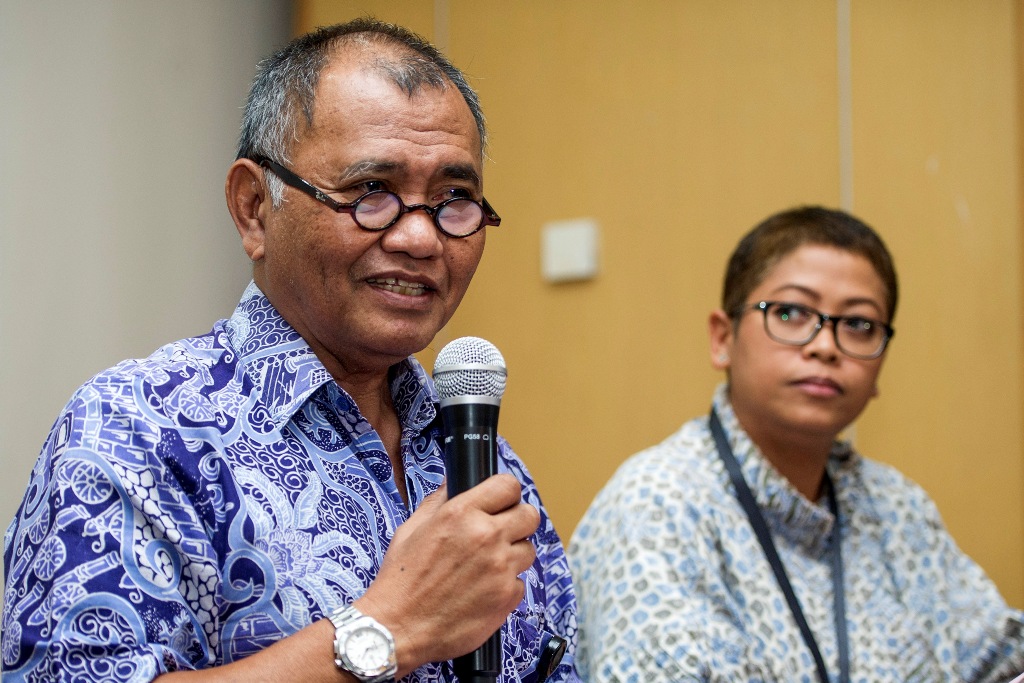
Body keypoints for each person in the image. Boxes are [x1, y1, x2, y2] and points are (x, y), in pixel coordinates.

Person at [2, 19, 578, 683]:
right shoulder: (136, 432)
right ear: (254, 207)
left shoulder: (486, 463)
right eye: (372, 192)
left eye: (455, 199)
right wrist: (387, 627)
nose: (421, 238)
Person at [569, 206, 1024, 681]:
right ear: (723, 339)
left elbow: (1000, 659)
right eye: (790, 313)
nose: (826, 346)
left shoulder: (898, 508)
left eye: (859, 325)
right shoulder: (656, 503)